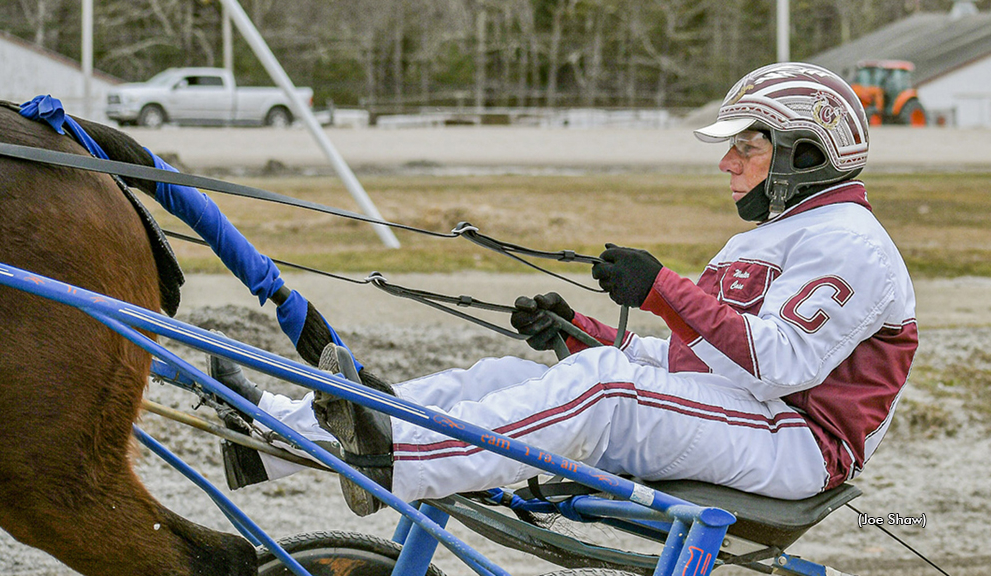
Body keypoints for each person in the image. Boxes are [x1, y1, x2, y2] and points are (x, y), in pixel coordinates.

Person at [212, 62, 917, 517]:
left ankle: (395, 461)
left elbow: (781, 365)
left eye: (748, 148)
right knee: (500, 373)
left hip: (797, 445)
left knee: (604, 388)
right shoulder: (762, 239)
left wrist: (662, 289)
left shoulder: (848, 241)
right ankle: (274, 437)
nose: (727, 163)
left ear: (802, 155)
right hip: (743, 417)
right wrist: (578, 330)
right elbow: (694, 361)